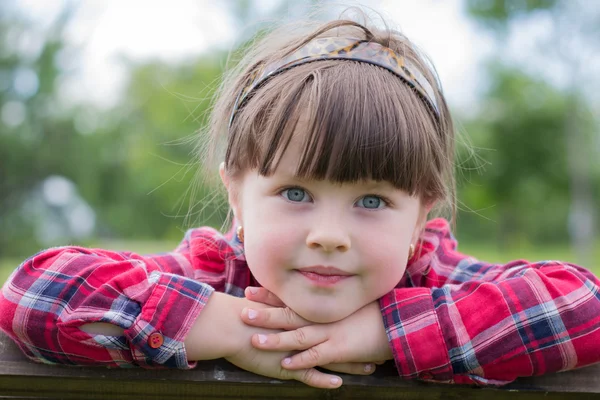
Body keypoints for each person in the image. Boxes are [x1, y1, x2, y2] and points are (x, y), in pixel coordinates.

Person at [1, 10, 599, 390]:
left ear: (421, 213)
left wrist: (386, 333)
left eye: (371, 201)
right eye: (295, 193)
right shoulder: (218, 277)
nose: (329, 234)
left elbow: (585, 305)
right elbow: (36, 292)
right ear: (236, 192)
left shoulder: (432, 279)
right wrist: (231, 329)